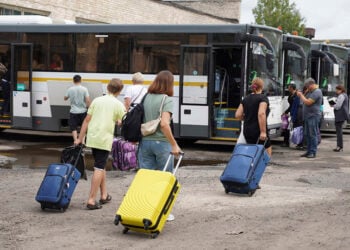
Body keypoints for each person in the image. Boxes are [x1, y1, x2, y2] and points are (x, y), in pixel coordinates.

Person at [74, 78, 125, 210]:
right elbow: (122, 122)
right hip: (104, 139)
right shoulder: (118, 104)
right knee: (98, 168)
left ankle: (104, 195)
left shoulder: (97, 100)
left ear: (108, 88)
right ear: (119, 90)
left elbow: (86, 120)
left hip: (93, 137)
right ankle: (91, 200)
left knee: (100, 165)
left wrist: (80, 138)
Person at [137, 70, 181, 221]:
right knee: (164, 179)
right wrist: (174, 144)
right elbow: (164, 123)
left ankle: (145, 209)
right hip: (162, 144)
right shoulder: (166, 99)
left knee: (146, 178)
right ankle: (163, 212)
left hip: (145, 142)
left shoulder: (146, 97)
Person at [235, 77, 272, 157]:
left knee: (252, 155)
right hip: (258, 131)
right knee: (266, 156)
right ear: (262, 87)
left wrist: (247, 117)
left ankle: (250, 169)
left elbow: (237, 115)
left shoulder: (246, 99)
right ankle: (258, 169)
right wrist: (263, 132)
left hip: (247, 131)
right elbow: (261, 113)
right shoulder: (263, 98)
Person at [296, 78, 323, 158]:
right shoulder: (310, 91)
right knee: (307, 134)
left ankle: (313, 152)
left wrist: (301, 95)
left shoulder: (317, 92)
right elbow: (304, 99)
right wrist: (304, 93)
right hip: (307, 116)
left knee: (312, 134)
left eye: (308, 86)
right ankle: (308, 151)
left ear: (311, 84)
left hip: (313, 116)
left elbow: (308, 102)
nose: (307, 87)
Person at [64, 75, 91, 142]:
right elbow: (87, 100)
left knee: (73, 127)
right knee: (83, 127)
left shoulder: (70, 89)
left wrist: (69, 96)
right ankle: (82, 142)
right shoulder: (84, 89)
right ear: (80, 80)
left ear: (73, 81)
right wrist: (89, 107)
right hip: (83, 111)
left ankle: (76, 140)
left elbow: (65, 98)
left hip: (73, 111)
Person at [331, 85, 349, 152]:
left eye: (337, 90)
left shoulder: (341, 96)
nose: (336, 91)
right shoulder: (345, 95)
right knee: (339, 131)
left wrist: (333, 105)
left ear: (341, 90)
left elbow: (338, 106)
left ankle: (339, 147)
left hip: (340, 115)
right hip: (342, 115)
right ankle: (339, 146)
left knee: (339, 132)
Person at [281, 83, 298, 147]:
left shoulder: (296, 95)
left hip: (294, 113)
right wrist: (286, 112)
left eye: (289, 87)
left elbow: (294, 106)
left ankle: (291, 142)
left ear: (292, 88)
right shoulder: (290, 94)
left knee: (290, 128)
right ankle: (286, 142)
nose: (288, 89)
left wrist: (290, 113)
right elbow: (290, 105)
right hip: (290, 112)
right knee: (287, 127)